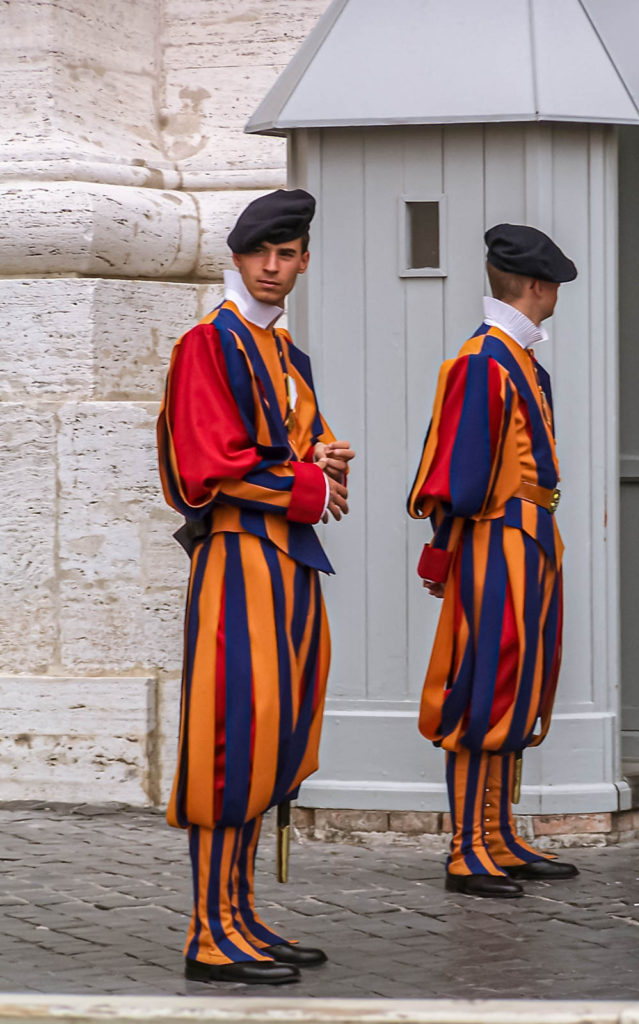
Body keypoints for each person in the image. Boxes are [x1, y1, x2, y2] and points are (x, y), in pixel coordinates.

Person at [157, 189, 354, 983]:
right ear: (237, 259)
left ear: (304, 259)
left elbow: (287, 448)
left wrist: (322, 460)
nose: (274, 267)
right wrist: (306, 485)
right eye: (260, 254)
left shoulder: (284, 353)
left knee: (275, 735)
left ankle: (240, 913)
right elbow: (208, 465)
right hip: (239, 561)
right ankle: (209, 931)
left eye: (288, 253)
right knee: (232, 734)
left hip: (289, 564)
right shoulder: (210, 343)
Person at [408, 223, 578, 898]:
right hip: (496, 538)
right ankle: (465, 847)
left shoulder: (516, 360)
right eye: (555, 285)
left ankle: (497, 833)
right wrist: (443, 555)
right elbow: (463, 475)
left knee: (518, 684)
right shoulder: (486, 362)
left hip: (527, 537)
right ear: (537, 287)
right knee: (483, 686)